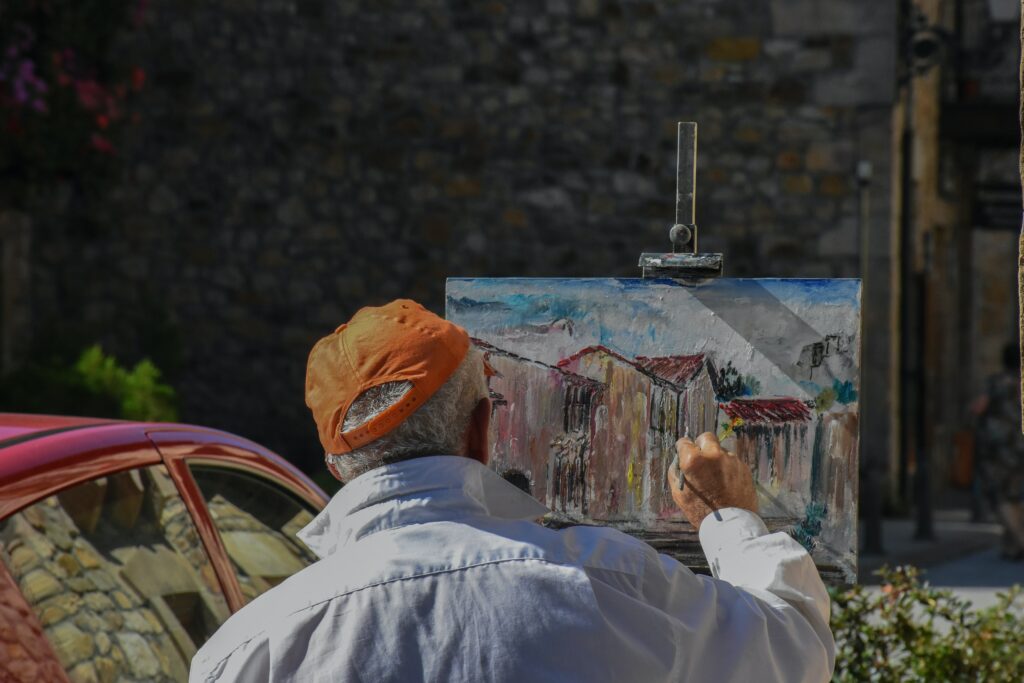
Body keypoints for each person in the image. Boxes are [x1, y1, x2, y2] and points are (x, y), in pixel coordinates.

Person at [190, 299, 835, 682]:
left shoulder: (246, 654)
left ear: (336, 465)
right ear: (481, 430)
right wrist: (730, 520)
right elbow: (794, 653)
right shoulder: (609, 583)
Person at [973, 343, 1024, 560]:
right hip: (1019, 446)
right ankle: (1011, 544)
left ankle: (1019, 540)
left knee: (1000, 496)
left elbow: (979, 407)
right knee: (1016, 494)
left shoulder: (995, 382)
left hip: (998, 447)